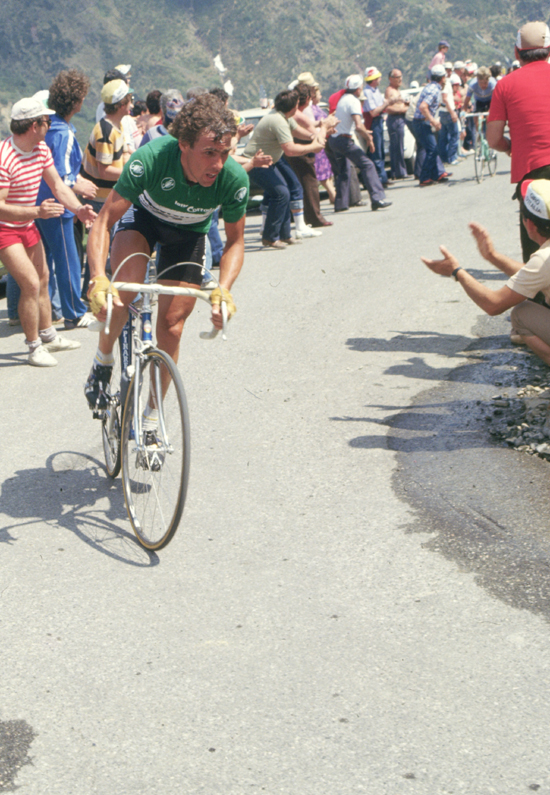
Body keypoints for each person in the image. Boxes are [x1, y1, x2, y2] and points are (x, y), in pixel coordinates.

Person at [84, 94, 249, 411]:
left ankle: (152, 414)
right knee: (122, 293)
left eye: (225, 153)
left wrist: (224, 291)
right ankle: (103, 363)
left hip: (187, 236)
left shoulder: (233, 178)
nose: (218, 164)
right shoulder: (153, 158)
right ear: (184, 144)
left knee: (172, 327)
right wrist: (98, 277)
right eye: (210, 152)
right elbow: (104, 221)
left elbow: (235, 242)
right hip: (143, 221)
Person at [0, 96, 95, 366]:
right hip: (5, 229)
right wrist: (37, 213)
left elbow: (58, 186)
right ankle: (33, 347)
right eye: (45, 120)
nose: (49, 123)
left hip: (26, 224)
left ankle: (49, 336)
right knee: (30, 283)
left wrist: (78, 209)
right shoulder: (4, 158)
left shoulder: (41, 149)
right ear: (33, 126)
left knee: (43, 278)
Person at [421, 179, 550, 365]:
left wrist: (457, 271)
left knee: (521, 313)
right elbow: (535, 275)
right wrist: (492, 255)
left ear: (529, 224)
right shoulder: (544, 261)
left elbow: (493, 305)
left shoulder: (544, 259)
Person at [35, 70, 97, 330]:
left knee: (44, 262)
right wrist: (80, 186)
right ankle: (74, 312)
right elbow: (61, 176)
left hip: (39, 204)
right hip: (59, 207)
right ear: (76, 101)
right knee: (69, 260)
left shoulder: (50, 129)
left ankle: (44, 314)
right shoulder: (65, 134)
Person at [487, 21, 550, 262]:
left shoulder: (505, 85)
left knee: (537, 260)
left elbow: (493, 139)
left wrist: (511, 147)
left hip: (533, 176)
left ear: (516, 52)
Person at [243, 89, 324, 248]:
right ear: (294, 106)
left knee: (286, 192)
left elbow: (297, 131)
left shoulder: (284, 116)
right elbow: (290, 149)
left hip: (269, 161)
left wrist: (313, 137)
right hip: (257, 162)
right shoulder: (278, 121)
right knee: (281, 194)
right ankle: (270, 237)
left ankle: (285, 235)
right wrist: (312, 147)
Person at [326, 75, 391, 213]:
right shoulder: (354, 101)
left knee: (343, 171)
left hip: (334, 140)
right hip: (343, 140)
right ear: (358, 88)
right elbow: (359, 126)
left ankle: (341, 204)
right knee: (367, 164)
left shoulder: (342, 99)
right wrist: (369, 139)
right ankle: (377, 198)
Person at [81, 79, 133, 211]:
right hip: (99, 200)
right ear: (122, 105)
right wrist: (130, 174)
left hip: (107, 196)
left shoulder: (117, 125)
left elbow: (125, 152)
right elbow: (104, 171)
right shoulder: (106, 132)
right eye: (130, 101)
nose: (132, 105)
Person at [412, 64, 451, 186]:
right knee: (432, 150)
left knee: (431, 148)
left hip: (421, 122)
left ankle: (436, 174)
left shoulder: (431, 87)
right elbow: (423, 106)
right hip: (421, 123)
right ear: (442, 78)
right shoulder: (434, 89)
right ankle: (424, 177)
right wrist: (433, 120)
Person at [362, 66, 390, 186]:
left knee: (381, 150)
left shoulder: (375, 90)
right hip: (373, 122)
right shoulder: (368, 92)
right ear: (374, 79)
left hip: (379, 121)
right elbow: (373, 111)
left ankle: (382, 176)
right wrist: (386, 104)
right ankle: (379, 178)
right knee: (376, 151)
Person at [384, 68, 410, 180]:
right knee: (396, 146)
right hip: (395, 119)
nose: (400, 79)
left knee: (399, 145)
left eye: (400, 77)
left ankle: (400, 170)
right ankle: (398, 171)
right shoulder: (390, 91)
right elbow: (388, 108)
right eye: (397, 77)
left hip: (399, 119)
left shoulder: (397, 90)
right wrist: (402, 109)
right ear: (391, 79)